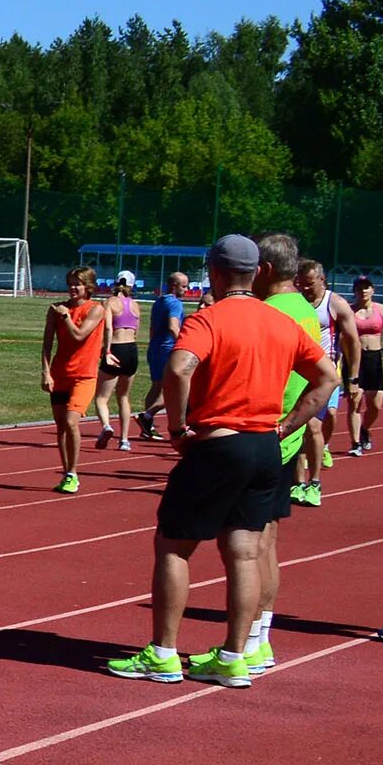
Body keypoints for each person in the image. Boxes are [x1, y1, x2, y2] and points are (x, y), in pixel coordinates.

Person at [107, 234, 334, 688]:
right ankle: (233, 656)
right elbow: (327, 377)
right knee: (245, 553)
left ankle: (164, 653)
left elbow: (178, 368)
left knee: (174, 544)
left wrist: (176, 428)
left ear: (213, 270)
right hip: (264, 448)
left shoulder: (209, 319)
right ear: (257, 272)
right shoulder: (281, 323)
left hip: (217, 442)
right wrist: (286, 426)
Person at [245, 232, 320, 671]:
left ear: (266, 270)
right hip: (286, 436)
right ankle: (260, 638)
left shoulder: (271, 312)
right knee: (267, 543)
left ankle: (247, 643)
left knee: (249, 546)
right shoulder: (305, 310)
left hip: (266, 432)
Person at [292, 260, 359, 506]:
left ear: (322, 280)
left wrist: (353, 378)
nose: (305, 289)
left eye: (309, 284)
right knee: (303, 427)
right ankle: (299, 483)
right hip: (298, 375)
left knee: (316, 424)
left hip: (326, 375)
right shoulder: (296, 302)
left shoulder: (336, 304)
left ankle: (315, 482)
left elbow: (353, 343)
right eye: (301, 284)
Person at [41, 266, 107, 494]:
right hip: (60, 374)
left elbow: (79, 336)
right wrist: (45, 371)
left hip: (84, 375)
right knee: (61, 426)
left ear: (88, 287)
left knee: (71, 422)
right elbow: (47, 342)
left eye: (77, 283)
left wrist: (66, 317)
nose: (72, 288)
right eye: (70, 283)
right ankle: (66, 471)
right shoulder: (57, 310)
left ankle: (73, 473)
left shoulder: (96, 309)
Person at [133, 270, 192, 438]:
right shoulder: (175, 303)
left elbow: (152, 327)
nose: (186, 290)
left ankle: (147, 424)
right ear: (174, 286)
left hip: (156, 347)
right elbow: (173, 326)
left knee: (156, 386)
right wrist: (183, 342)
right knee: (173, 388)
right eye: (184, 286)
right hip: (167, 348)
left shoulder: (159, 301)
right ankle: (148, 417)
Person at [91, 272, 142, 453]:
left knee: (101, 397)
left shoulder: (110, 302)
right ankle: (125, 440)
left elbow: (108, 327)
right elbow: (137, 330)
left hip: (117, 349)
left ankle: (106, 426)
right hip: (132, 351)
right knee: (124, 397)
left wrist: (107, 351)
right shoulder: (136, 305)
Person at [348, 275, 383, 456]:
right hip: (355, 360)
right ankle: (355, 444)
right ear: (354, 291)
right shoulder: (349, 311)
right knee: (355, 402)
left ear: (373, 290)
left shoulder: (382, 310)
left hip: (374, 359)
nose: (363, 291)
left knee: (375, 406)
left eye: (367, 287)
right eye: (360, 288)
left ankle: (364, 429)